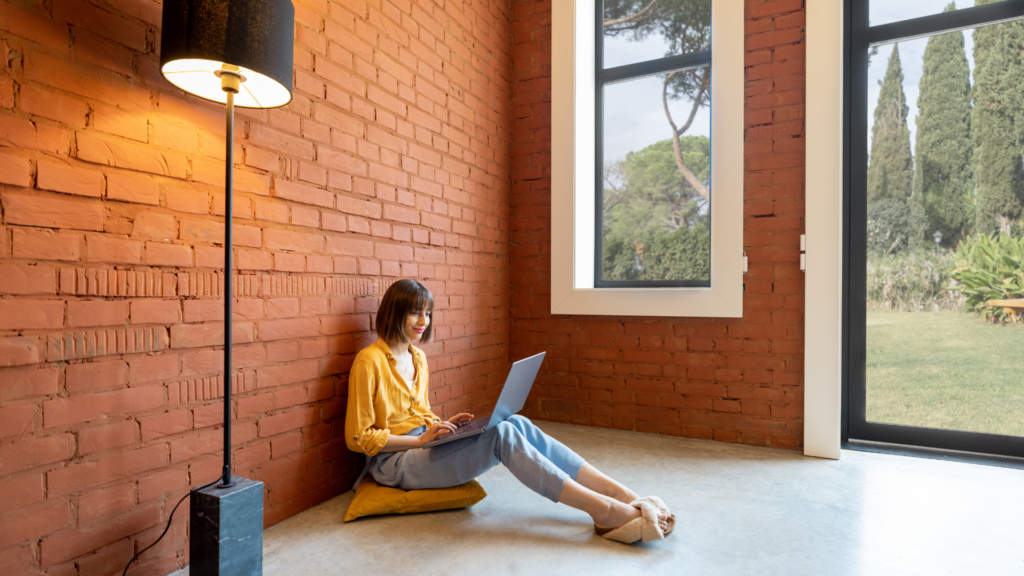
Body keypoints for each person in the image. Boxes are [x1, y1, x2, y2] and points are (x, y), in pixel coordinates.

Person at [345, 279, 675, 543]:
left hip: (424, 445)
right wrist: (419, 441)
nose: (423, 321)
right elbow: (358, 438)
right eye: (415, 313)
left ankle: (619, 493)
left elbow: (418, 412)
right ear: (394, 313)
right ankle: (603, 511)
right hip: (394, 462)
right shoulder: (369, 361)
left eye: (428, 313)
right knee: (501, 435)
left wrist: (443, 426)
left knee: (516, 421)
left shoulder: (417, 357)